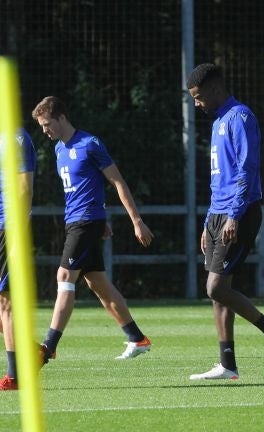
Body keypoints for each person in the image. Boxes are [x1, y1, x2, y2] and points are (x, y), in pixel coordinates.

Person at [184, 63, 264, 381]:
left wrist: (232, 215)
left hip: (239, 213)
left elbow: (247, 169)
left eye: (199, 97)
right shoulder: (218, 122)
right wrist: (208, 222)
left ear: (216, 90)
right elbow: (220, 180)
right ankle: (228, 364)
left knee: (214, 287)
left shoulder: (240, 117)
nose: (197, 103)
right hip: (218, 214)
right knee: (220, 290)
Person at [31, 96, 154, 363]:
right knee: (97, 283)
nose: (44, 130)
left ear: (61, 117)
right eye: (41, 126)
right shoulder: (58, 150)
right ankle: (137, 338)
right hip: (80, 221)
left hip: (85, 222)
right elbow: (84, 188)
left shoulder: (90, 144)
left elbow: (118, 182)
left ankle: (49, 346)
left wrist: (136, 221)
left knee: (65, 274)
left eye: (46, 124)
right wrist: (101, 218)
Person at [0, 128, 36, 391]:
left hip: (8, 227)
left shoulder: (16, 137)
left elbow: (25, 189)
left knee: (5, 301)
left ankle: (15, 376)